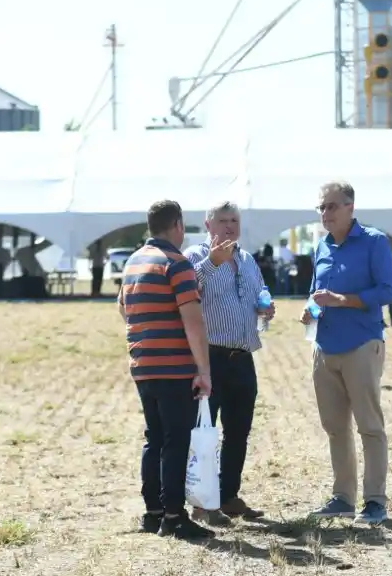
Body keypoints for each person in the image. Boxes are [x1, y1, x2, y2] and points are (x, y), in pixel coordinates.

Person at [117, 199, 214, 540]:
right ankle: (174, 515)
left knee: (154, 437)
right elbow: (194, 322)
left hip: (143, 365)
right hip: (174, 367)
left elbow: (123, 309)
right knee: (176, 439)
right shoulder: (177, 263)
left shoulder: (133, 262)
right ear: (177, 225)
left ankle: (153, 511)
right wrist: (204, 370)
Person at [301, 181, 392, 525]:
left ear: (350, 208)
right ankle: (343, 497)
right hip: (324, 347)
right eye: (321, 207)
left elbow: (388, 291)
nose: (325, 213)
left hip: (361, 344)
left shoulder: (374, 242)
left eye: (332, 206)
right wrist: (311, 310)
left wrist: (343, 301)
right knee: (335, 428)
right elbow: (316, 292)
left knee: (370, 427)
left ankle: (375, 502)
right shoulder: (321, 247)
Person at [183, 201, 274, 525]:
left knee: (238, 431)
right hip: (209, 358)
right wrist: (212, 263)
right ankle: (201, 503)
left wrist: (265, 307)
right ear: (208, 225)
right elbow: (185, 290)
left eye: (234, 220)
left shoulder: (247, 259)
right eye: (223, 220)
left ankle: (228, 495)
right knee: (204, 433)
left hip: (242, 357)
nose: (230, 226)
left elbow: (260, 292)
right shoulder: (195, 256)